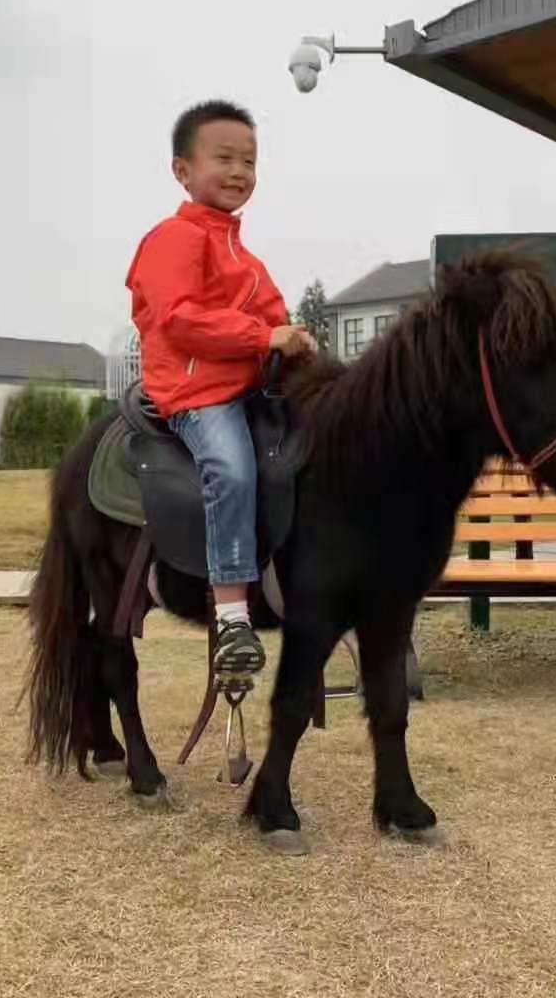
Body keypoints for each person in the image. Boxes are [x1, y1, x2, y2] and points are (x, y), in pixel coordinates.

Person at [125, 100, 316, 680]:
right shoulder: (171, 239)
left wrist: (299, 346)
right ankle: (232, 612)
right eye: (225, 158)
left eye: (250, 162)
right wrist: (266, 336)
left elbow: (275, 317)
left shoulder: (245, 257)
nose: (239, 172)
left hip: (248, 387)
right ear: (182, 170)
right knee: (231, 470)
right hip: (197, 392)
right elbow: (181, 320)